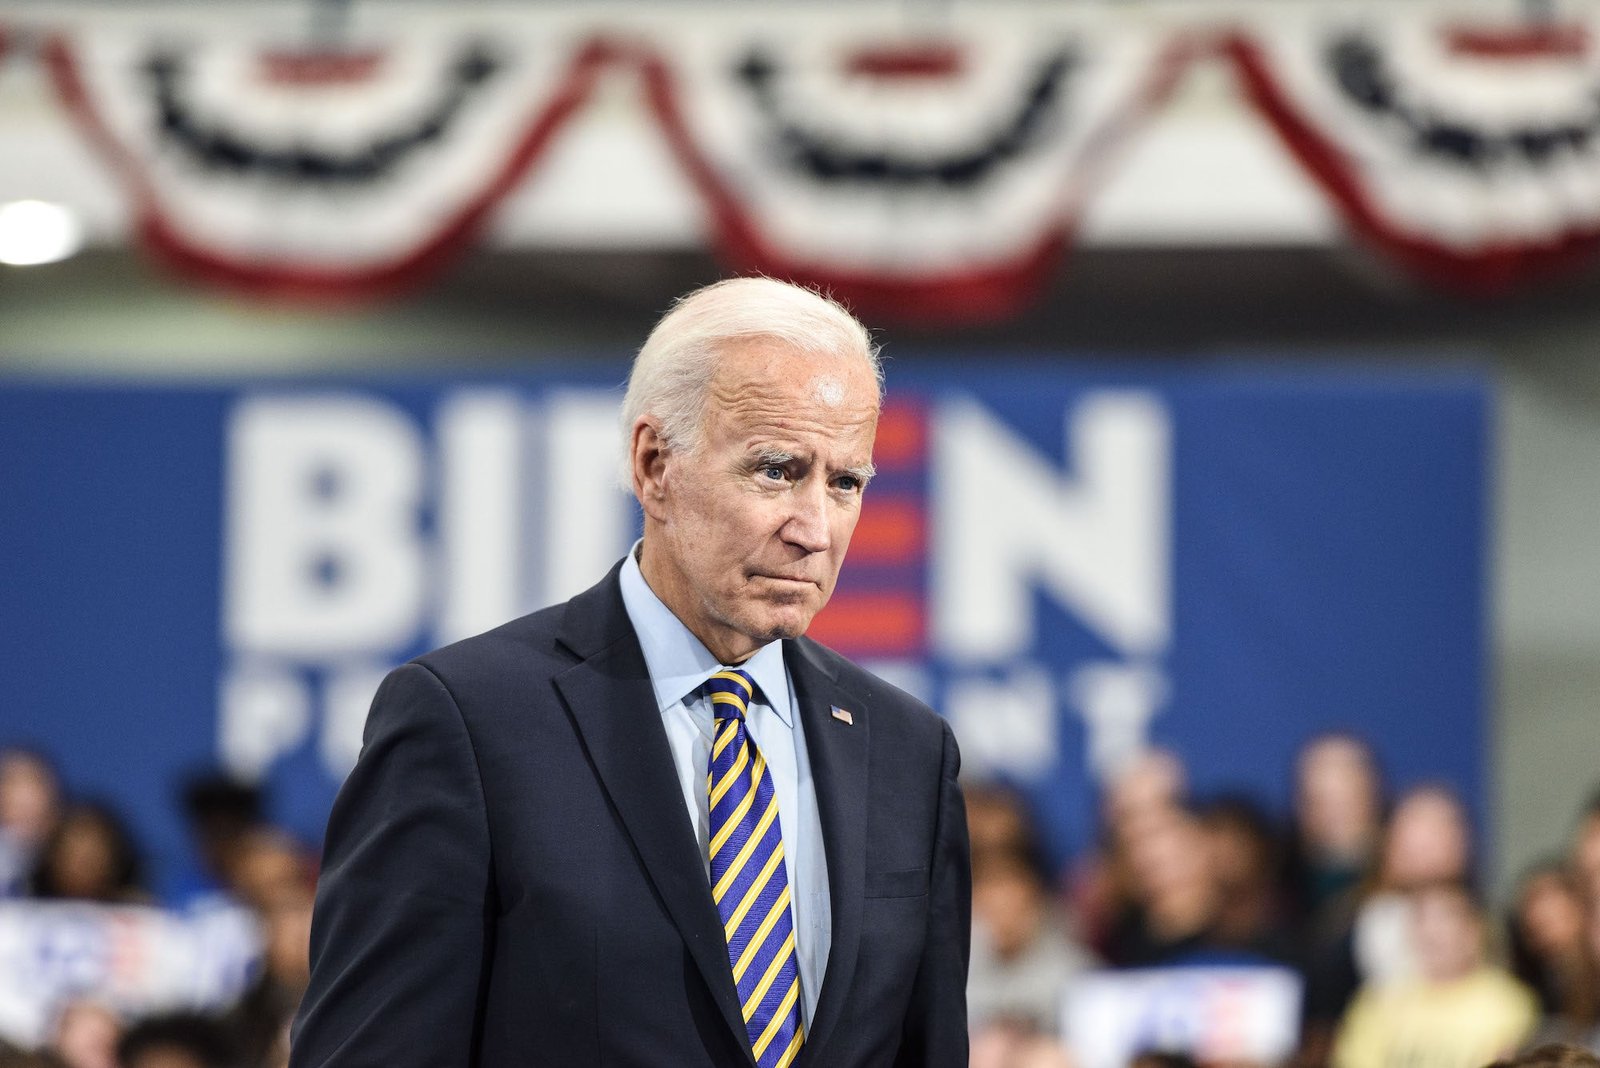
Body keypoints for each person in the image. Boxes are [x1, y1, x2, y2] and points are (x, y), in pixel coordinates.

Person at [290, 277, 972, 1066]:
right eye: (777, 470)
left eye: (846, 482)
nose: (814, 529)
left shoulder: (908, 754)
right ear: (654, 465)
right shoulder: (468, 723)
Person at [1332, 880, 1537, 1068]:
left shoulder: (1510, 1003)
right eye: (1422, 918)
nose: (1431, 931)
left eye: (1445, 918)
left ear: (1474, 930)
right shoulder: (1378, 1000)